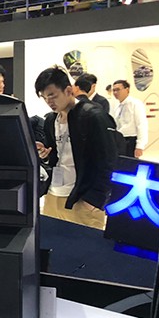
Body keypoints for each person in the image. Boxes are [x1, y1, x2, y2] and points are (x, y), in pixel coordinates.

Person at [34, 67, 117, 231]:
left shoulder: (93, 116)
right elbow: (55, 156)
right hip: (53, 195)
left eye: (52, 96)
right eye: (44, 97)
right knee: (53, 243)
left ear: (68, 90)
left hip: (82, 199)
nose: (49, 102)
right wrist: (45, 155)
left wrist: (95, 199)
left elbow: (109, 160)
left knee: (84, 246)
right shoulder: (51, 120)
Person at [112, 79, 148, 158]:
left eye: (118, 90)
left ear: (127, 90)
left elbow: (141, 124)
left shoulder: (135, 103)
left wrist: (140, 146)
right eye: (114, 90)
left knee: (130, 163)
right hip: (119, 140)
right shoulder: (117, 105)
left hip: (130, 140)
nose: (115, 92)